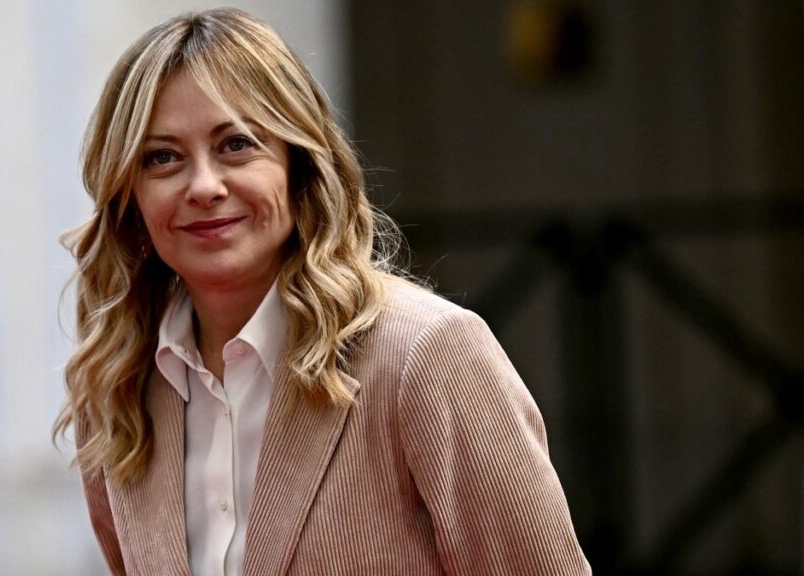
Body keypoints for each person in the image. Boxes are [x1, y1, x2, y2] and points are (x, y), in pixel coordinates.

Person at [55, 8, 590, 576]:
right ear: (128, 195)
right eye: (162, 158)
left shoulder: (428, 355)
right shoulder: (117, 387)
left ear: (299, 164)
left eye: (236, 144)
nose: (205, 186)